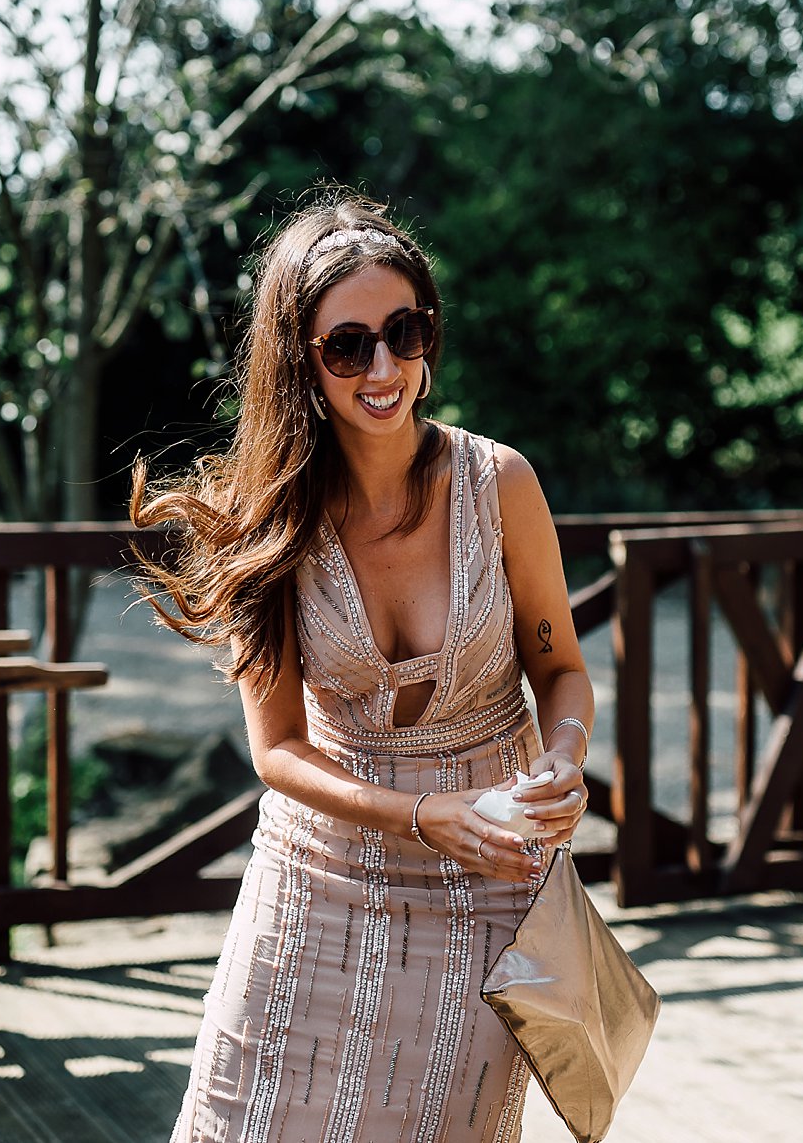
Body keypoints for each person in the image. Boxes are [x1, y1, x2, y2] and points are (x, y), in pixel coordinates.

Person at [131, 193, 596, 1141]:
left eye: (403, 333)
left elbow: (561, 670)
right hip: (320, 878)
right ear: (300, 360)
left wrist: (566, 755)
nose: (384, 369)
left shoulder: (500, 483)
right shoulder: (267, 516)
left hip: (490, 878)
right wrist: (421, 814)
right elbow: (277, 749)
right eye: (347, 347)